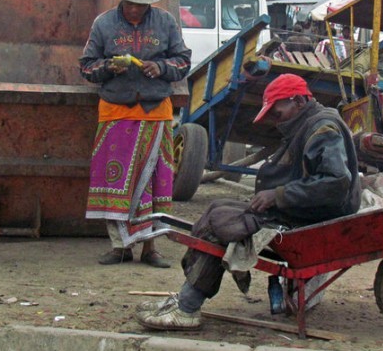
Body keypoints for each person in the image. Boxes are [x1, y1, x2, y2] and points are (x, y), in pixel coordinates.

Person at [135, 73, 362, 330]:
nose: (276, 122)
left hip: (319, 214)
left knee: (224, 223)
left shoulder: (322, 129)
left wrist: (278, 195)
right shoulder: (308, 122)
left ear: (298, 101)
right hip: (305, 207)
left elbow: (335, 183)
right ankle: (185, 299)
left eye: (277, 113)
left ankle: (187, 307)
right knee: (216, 208)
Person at [79, 0, 192, 268]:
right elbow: (87, 66)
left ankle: (150, 248)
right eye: (130, 3)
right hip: (116, 110)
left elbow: (183, 61)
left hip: (155, 112)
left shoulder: (166, 23)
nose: (134, 10)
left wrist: (163, 68)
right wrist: (107, 68)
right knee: (115, 181)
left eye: (141, 5)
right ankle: (120, 246)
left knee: (154, 182)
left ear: (149, 3)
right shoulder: (103, 24)